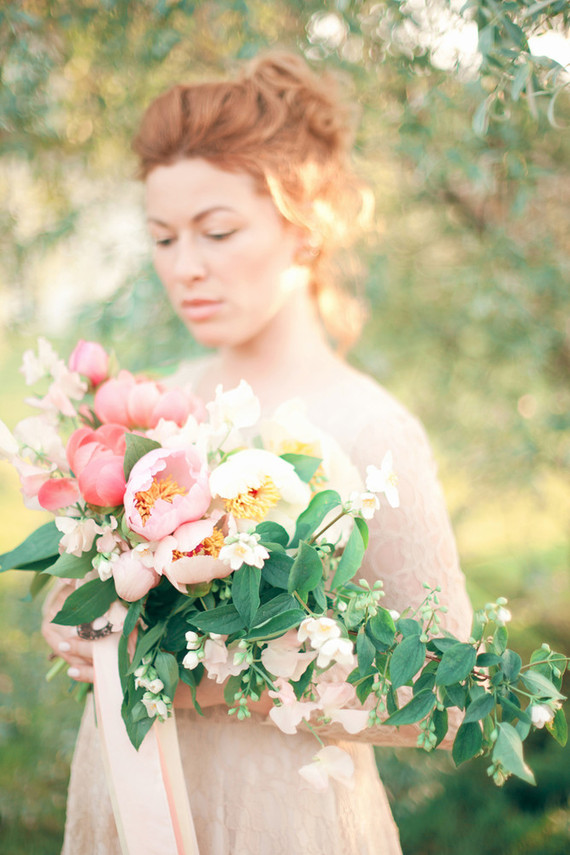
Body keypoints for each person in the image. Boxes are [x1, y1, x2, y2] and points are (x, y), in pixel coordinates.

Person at [42, 51, 473, 854]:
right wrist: (71, 628)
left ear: (304, 228)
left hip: (278, 822)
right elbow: (92, 581)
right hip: (120, 807)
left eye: (217, 230)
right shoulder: (149, 408)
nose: (185, 267)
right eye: (163, 238)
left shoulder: (373, 431)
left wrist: (205, 682)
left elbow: (445, 701)